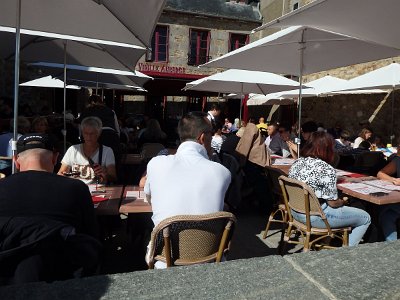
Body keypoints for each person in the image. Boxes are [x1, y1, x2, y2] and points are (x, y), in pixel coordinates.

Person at [0, 133, 99, 283]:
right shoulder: (76, 188)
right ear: (55, 158)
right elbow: (91, 234)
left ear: (16, 162)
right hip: (63, 275)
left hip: (6, 273)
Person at [145, 111, 231, 228]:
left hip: (166, 244)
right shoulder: (222, 172)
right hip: (208, 245)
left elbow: (150, 199)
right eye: (210, 133)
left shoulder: (156, 163)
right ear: (202, 137)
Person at [288, 132, 371, 247]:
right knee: (365, 218)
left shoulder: (297, 162)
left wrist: (338, 179)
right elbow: (333, 203)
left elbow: (312, 180)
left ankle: (332, 241)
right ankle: (347, 253)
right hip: (316, 217)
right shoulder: (327, 169)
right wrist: (344, 201)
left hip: (296, 212)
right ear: (328, 149)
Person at [58, 116, 117, 184]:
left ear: (98, 133)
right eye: (86, 133)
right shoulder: (73, 150)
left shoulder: (107, 151)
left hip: (98, 191)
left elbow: (113, 177)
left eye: (92, 134)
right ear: (82, 133)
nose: (89, 137)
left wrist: (105, 174)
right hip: (76, 190)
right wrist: (63, 175)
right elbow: (61, 173)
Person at [377, 153, 400, 241]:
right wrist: (393, 180)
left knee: (385, 210)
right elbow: (380, 174)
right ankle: (392, 246)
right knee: (387, 215)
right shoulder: (398, 160)